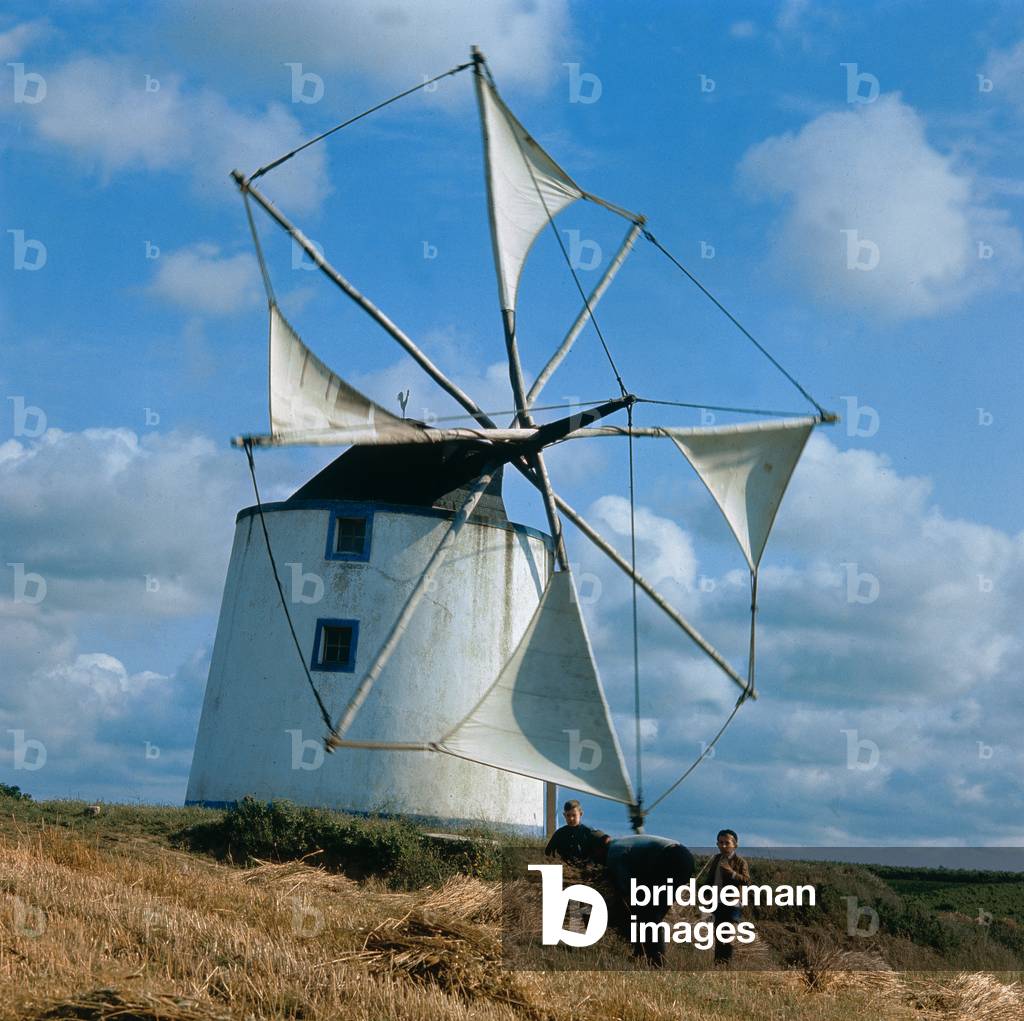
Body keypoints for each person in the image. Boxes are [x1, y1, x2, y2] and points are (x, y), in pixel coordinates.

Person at [588, 831, 695, 967]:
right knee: (646, 913)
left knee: (649, 915)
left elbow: (626, 885)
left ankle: (656, 963)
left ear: (598, 849)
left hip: (671, 859)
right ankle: (642, 954)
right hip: (682, 856)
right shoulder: (622, 844)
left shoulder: (613, 853)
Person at [702, 828, 750, 966]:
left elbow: (746, 881)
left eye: (726, 843)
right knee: (718, 935)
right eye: (720, 843)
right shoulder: (716, 859)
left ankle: (726, 965)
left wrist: (732, 873)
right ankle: (718, 965)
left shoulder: (740, 862)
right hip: (717, 903)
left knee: (727, 936)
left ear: (735, 845)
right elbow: (710, 878)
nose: (723, 846)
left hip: (732, 904)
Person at [544, 799, 603, 866]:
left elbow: (604, 843)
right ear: (564, 815)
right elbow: (547, 853)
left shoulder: (589, 832)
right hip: (565, 870)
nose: (571, 818)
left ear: (581, 814)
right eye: (568, 815)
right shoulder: (559, 834)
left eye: (574, 815)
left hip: (585, 870)